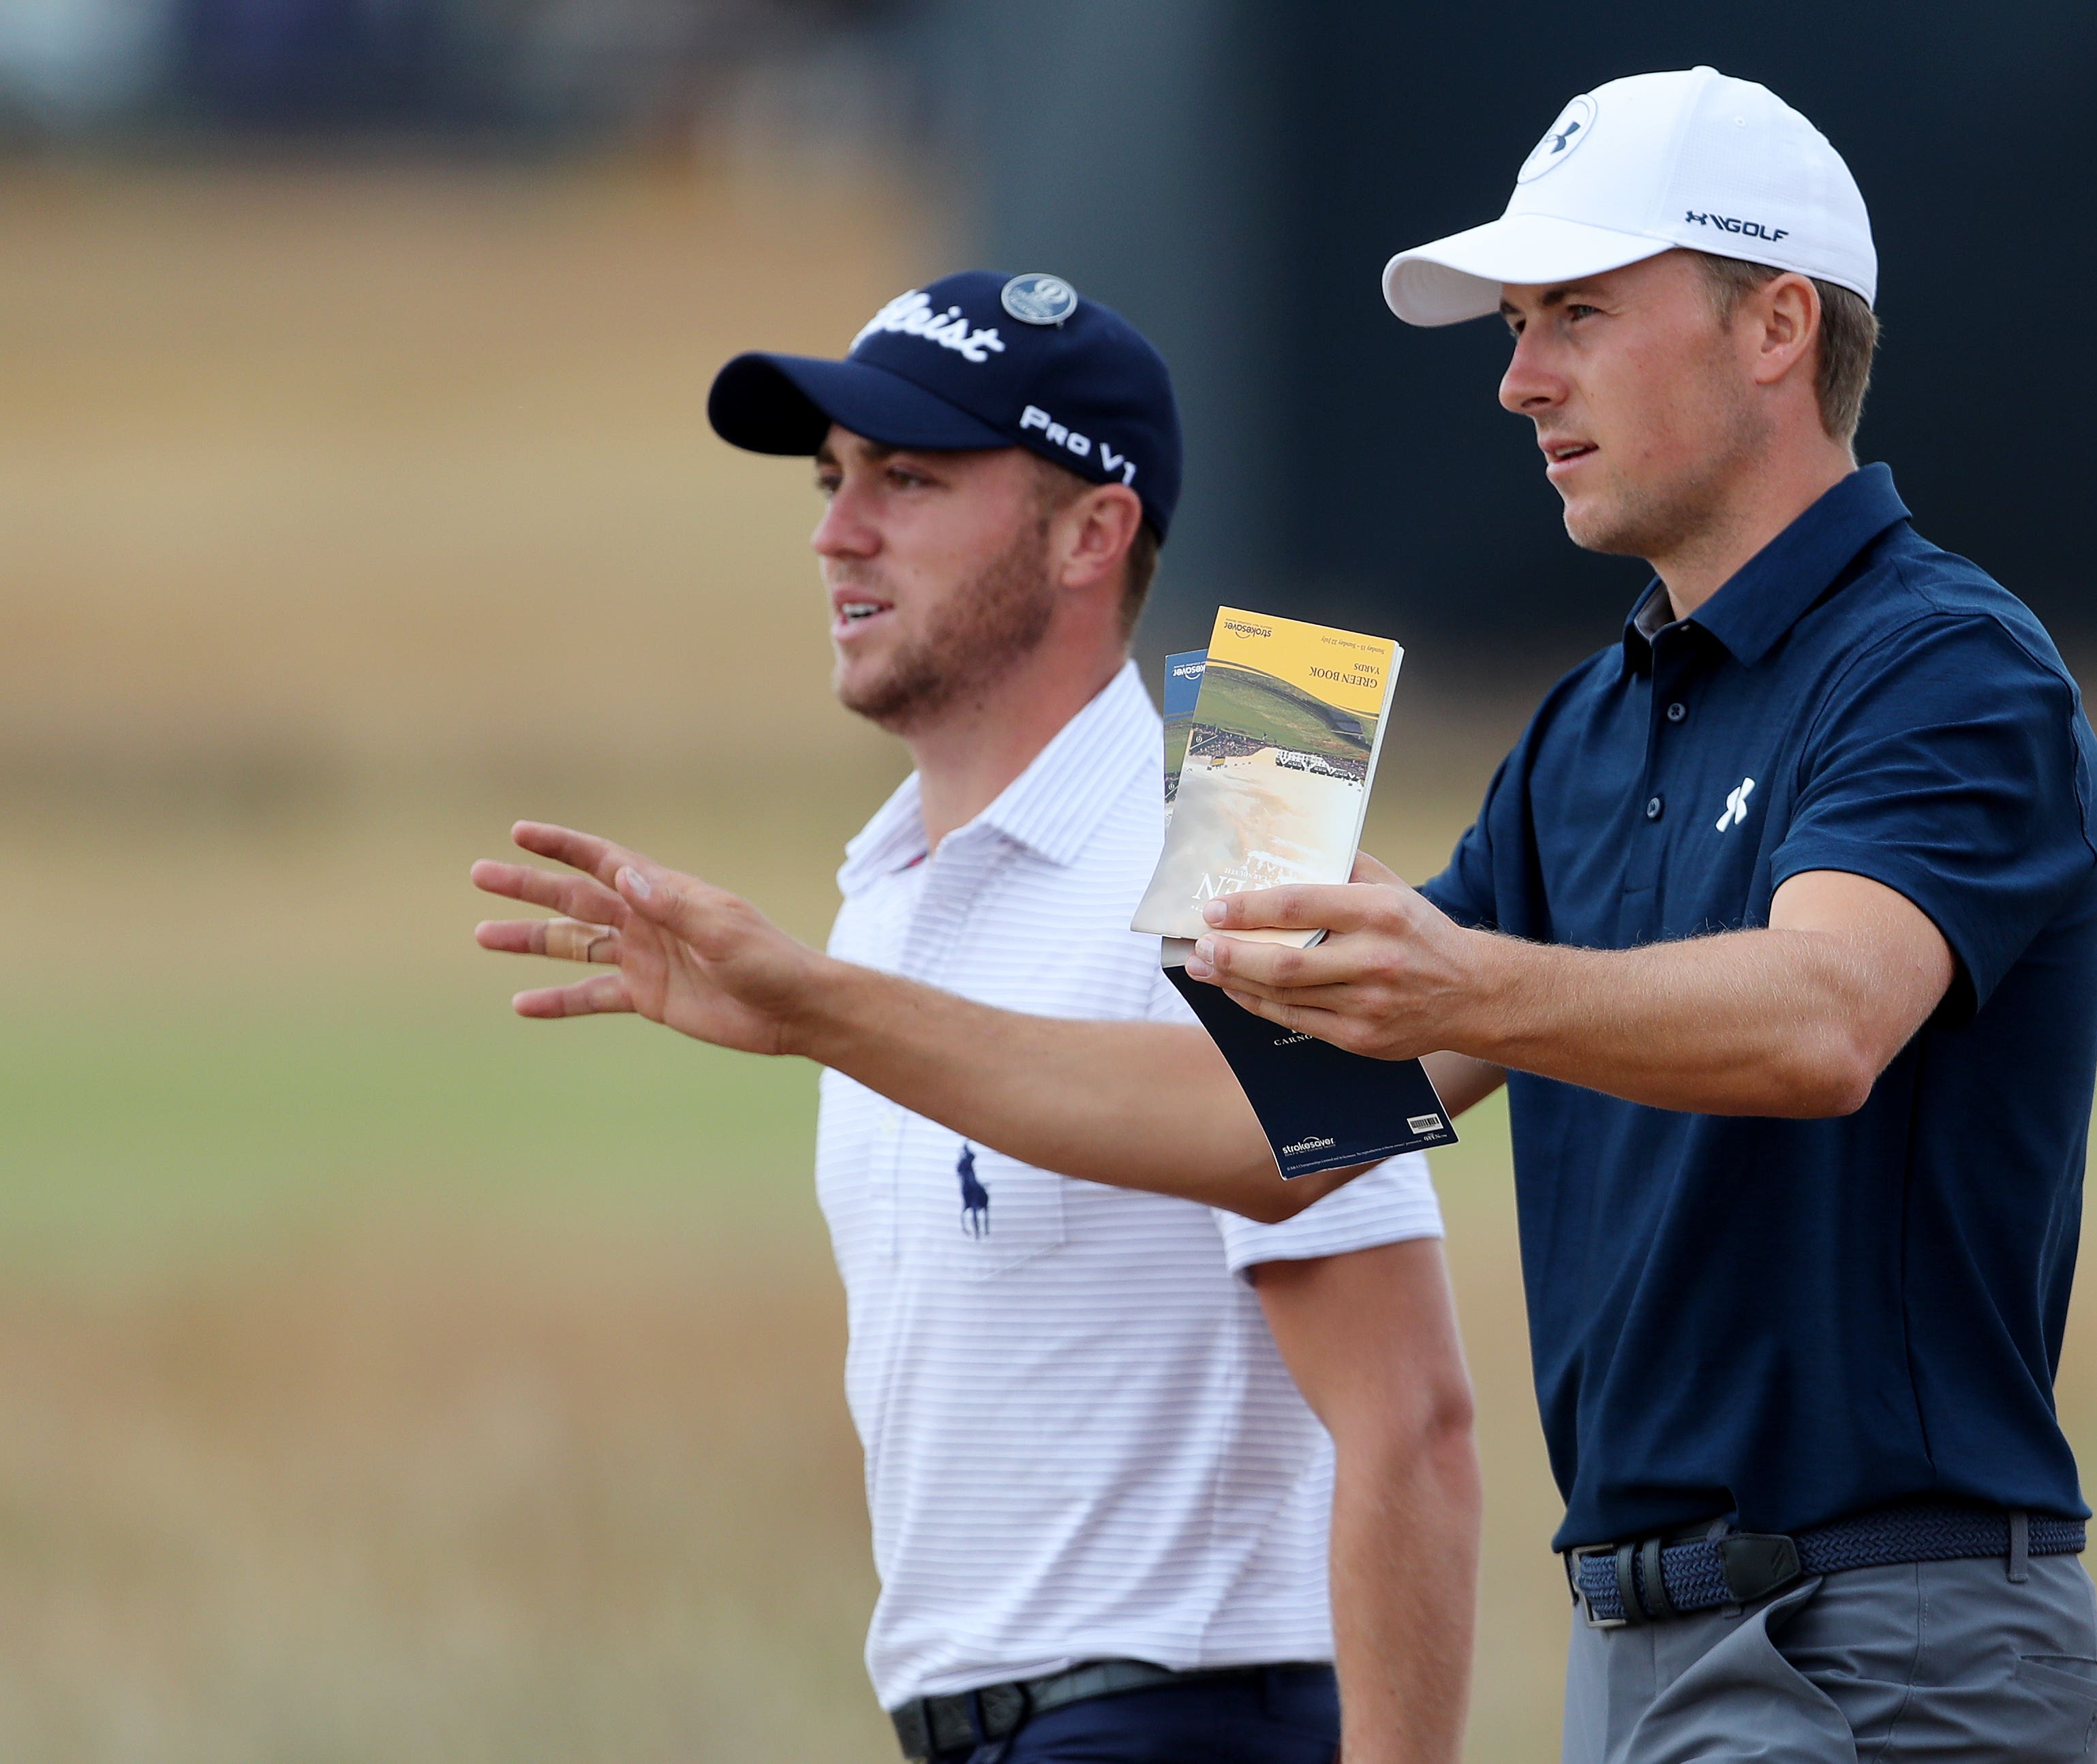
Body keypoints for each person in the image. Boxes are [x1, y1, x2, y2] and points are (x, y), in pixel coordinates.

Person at [476, 64, 2097, 1763]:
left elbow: (1824, 1018)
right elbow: (1274, 1131)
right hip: (1640, 1639)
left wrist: (1460, 981)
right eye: (1514, 322)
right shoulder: (1592, 725)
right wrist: (814, 1004)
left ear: (1774, 325)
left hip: (1875, 1631)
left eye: (1572, 314)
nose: (1517, 377)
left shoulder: (1942, 663)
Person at [474, 270, 1480, 1764]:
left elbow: (1414, 1419)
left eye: (910, 477)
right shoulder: (881, 886)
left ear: (1093, 532)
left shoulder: (1249, 825)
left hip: (1183, 1716)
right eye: (830, 480)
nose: (835, 529)